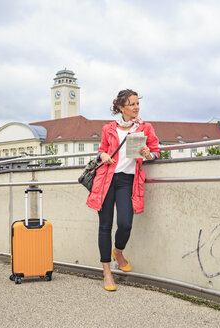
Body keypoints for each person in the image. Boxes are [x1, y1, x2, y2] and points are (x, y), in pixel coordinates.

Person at [86, 89, 160, 291]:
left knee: (125, 223)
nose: (136, 107)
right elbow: (101, 149)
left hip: (128, 181)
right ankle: (107, 273)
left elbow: (156, 152)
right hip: (106, 180)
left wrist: (148, 154)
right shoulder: (109, 128)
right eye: (132, 104)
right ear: (121, 108)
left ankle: (118, 251)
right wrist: (103, 156)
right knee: (105, 226)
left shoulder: (145, 127)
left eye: (137, 103)